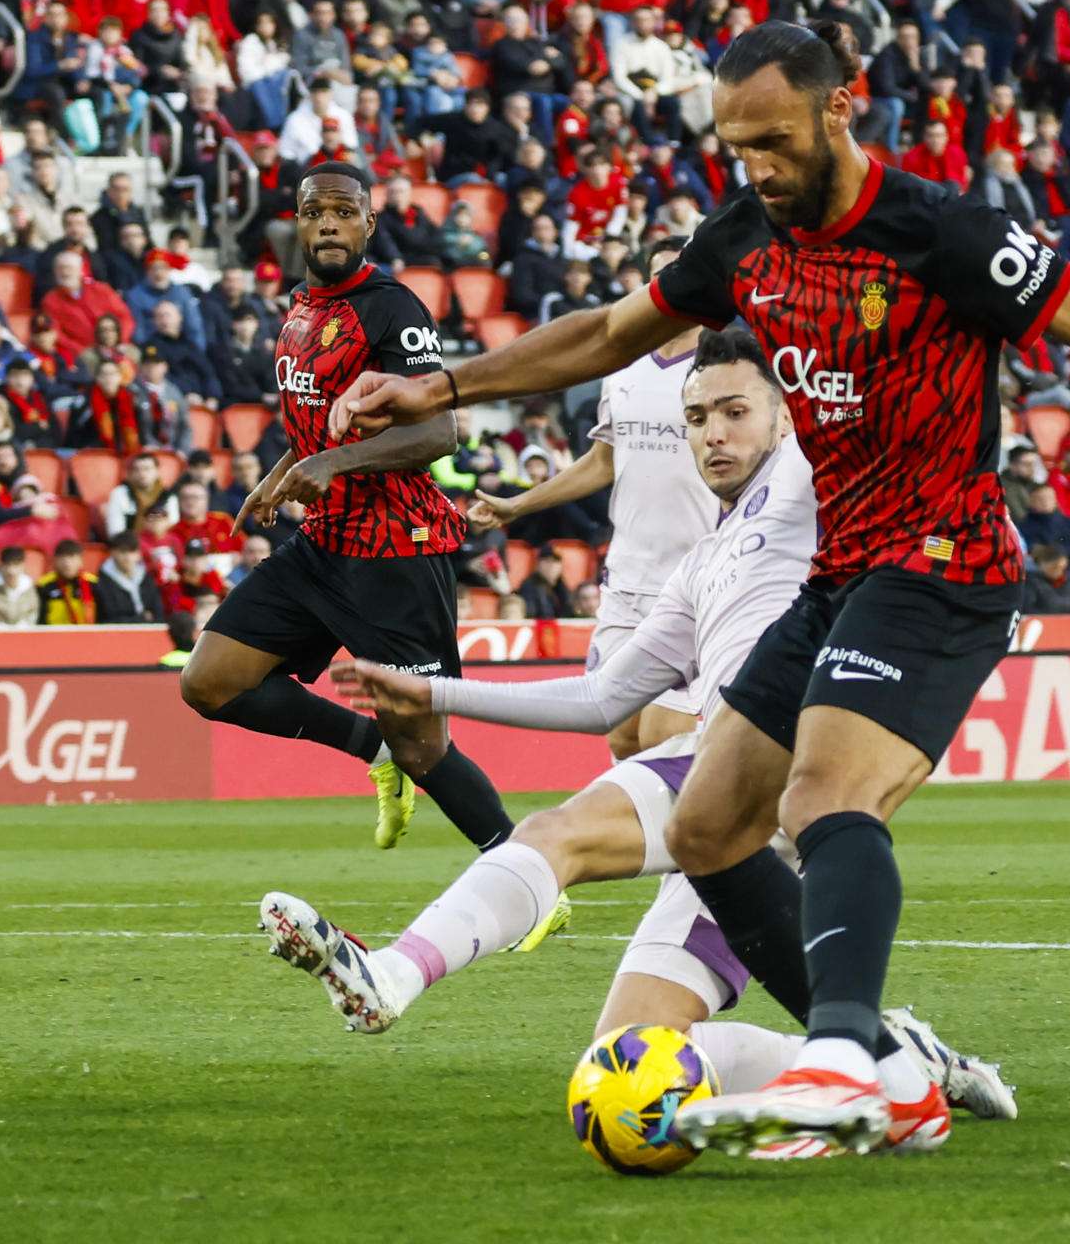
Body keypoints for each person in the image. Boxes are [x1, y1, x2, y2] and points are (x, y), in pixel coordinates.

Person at [329, 20, 1070, 1158]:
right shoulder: (744, 236)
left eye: (776, 141)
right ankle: (885, 1061)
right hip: (842, 574)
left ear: (844, 106)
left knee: (826, 798)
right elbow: (603, 332)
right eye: (737, 148)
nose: (759, 169)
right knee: (708, 827)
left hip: (945, 563)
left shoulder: (944, 234)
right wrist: (442, 380)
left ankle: (838, 1061)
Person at [269, 331, 1010, 1149]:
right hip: (729, 807)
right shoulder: (702, 563)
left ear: (786, 417)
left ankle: (394, 975)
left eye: (735, 412)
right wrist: (433, 691)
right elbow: (603, 697)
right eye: (696, 417)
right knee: (626, 1061)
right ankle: (896, 1061)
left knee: (559, 834)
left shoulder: (809, 481)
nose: (713, 434)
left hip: (769, 761)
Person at [178, 161, 514, 855]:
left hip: (399, 550)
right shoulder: (302, 306)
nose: (328, 222)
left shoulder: (393, 308)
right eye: (313, 211)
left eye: (342, 210)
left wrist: (327, 464)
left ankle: (528, 873)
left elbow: (435, 431)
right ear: (296, 224)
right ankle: (373, 751)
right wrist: (278, 476)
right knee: (209, 682)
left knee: (425, 746)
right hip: (326, 545)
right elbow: (313, 422)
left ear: (367, 221)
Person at [464, 238, 715, 759]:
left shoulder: (725, 367)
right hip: (627, 582)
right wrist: (519, 504)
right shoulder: (623, 367)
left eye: (682, 274)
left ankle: (746, 835)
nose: (671, 287)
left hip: (698, 583)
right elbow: (603, 462)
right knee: (622, 737)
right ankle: (643, 842)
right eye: (659, 277)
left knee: (664, 737)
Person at [36, 538, 99, 624]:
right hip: (54, 635)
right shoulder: (43, 585)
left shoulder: (93, 583)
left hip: (87, 634)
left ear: (81, 561)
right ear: (54, 560)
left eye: (72, 558)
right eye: (62, 559)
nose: (67, 564)